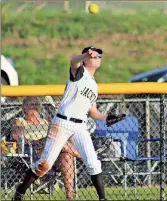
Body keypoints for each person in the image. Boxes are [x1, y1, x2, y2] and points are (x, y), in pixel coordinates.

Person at [12, 46, 113, 201]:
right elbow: (73, 61)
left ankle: (103, 199)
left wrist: (107, 118)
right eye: (93, 55)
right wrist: (84, 55)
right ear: (86, 59)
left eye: (99, 55)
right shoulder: (79, 73)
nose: (96, 56)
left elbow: (92, 112)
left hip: (80, 126)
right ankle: (20, 192)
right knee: (45, 164)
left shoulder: (94, 85)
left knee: (93, 163)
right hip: (62, 122)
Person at [11, 96, 80, 200]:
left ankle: (69, 196)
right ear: (24, 108)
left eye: (37, 105)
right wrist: (28, 139)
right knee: (56, 141)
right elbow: (15, 136)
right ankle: (83, 156)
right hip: (34, 150)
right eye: (32, 105)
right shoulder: (20, 121)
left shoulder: (45, 122)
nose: (35, 107)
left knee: (67, 156)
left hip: (52, 151)